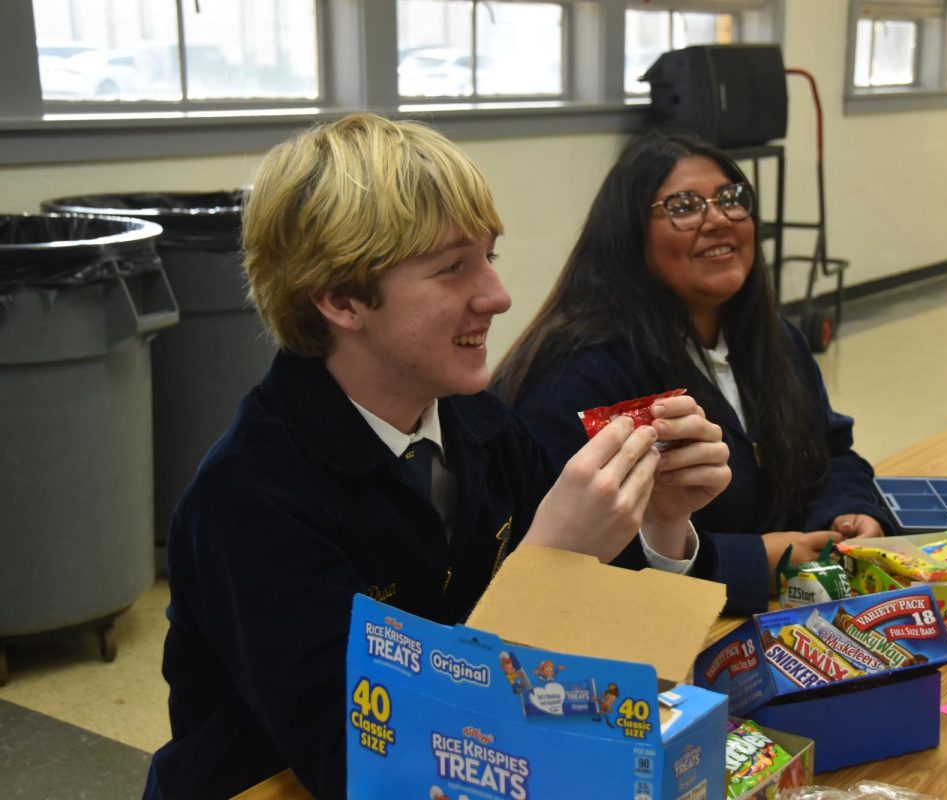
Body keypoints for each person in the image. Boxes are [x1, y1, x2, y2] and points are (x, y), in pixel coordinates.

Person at [144, 114, 730, 799]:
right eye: (453, 268)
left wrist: (659, 524)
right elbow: (369, 762)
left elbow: (604, 653)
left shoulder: (477, 420)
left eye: (490, 256)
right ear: (339, 299)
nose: (498, 295)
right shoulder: (248, 501)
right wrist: (546, 567)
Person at [492, 128, 893, 615]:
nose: (718, 219)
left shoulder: (776, 339)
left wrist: (849, 511)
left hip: (793, 612)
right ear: (629, 235)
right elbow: (580, 557)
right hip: (668, 636)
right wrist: (750, 563)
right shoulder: (579, 372)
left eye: (730, 199)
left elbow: (830, 451)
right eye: (683, 206)